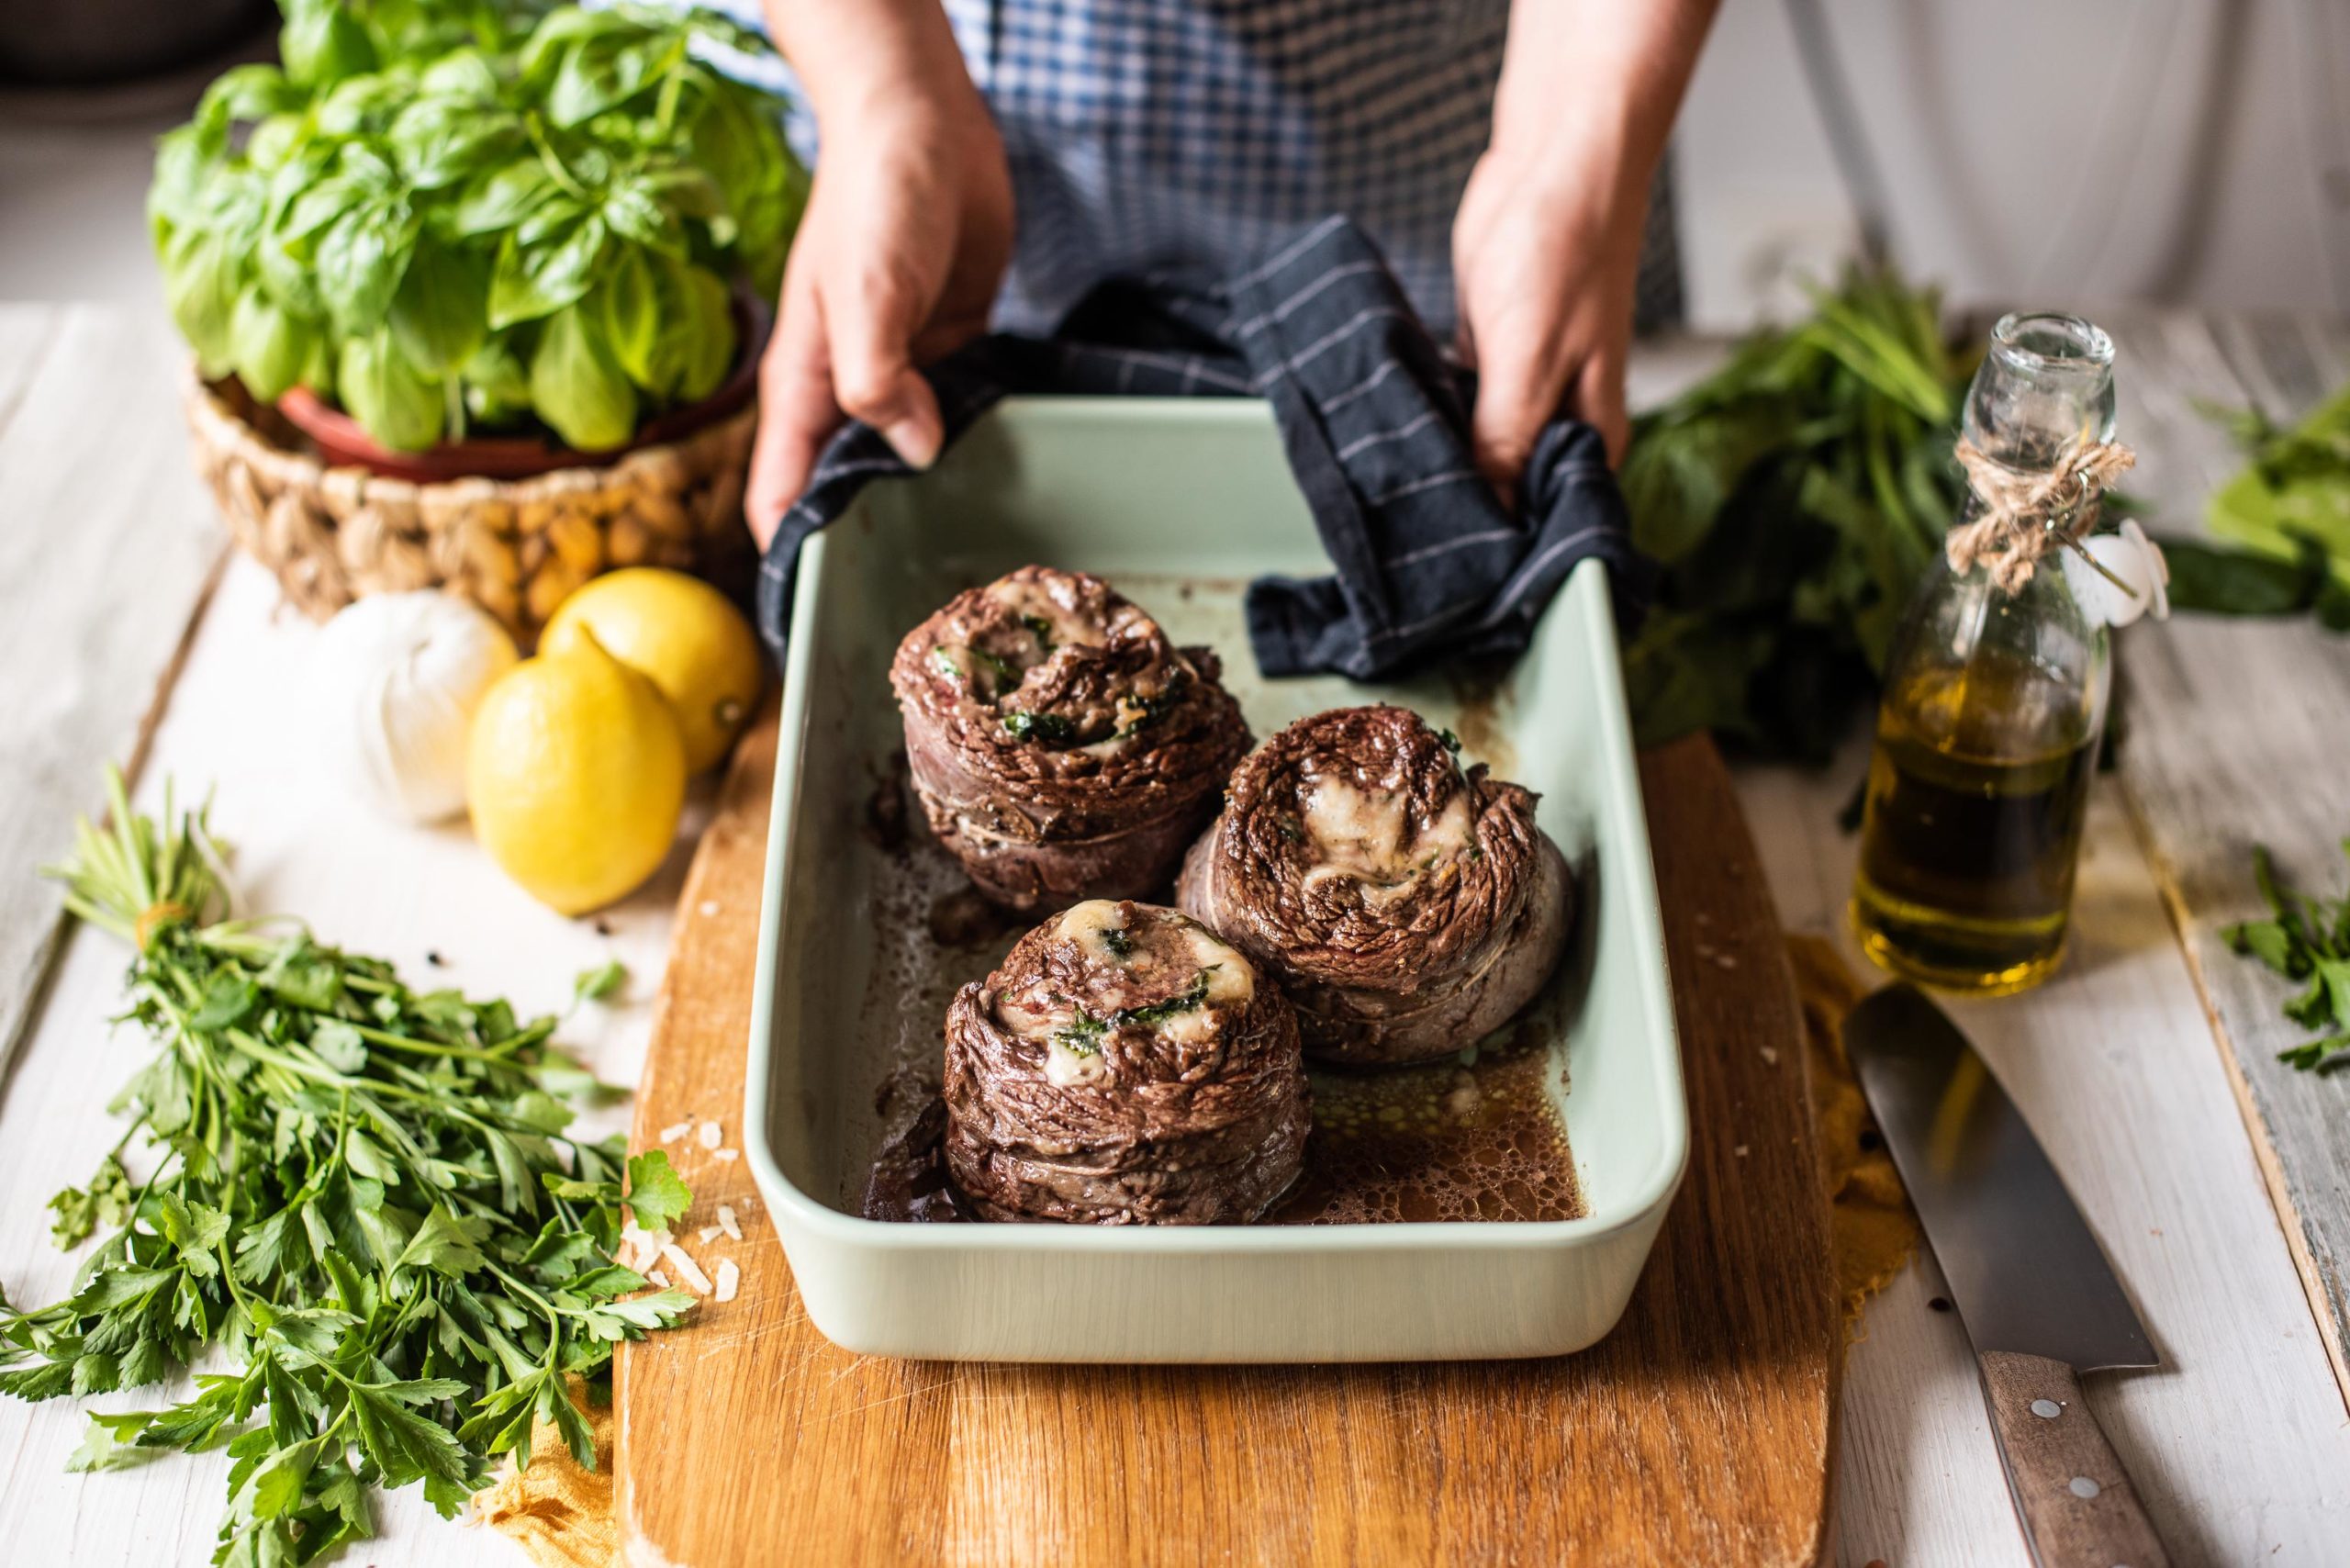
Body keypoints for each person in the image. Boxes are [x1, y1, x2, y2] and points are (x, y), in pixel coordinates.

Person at [746, 0, 1719, 547]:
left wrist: (1566, 150)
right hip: (880, 71)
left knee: (1473, 440)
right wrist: (883, 93)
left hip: (1401, 113)